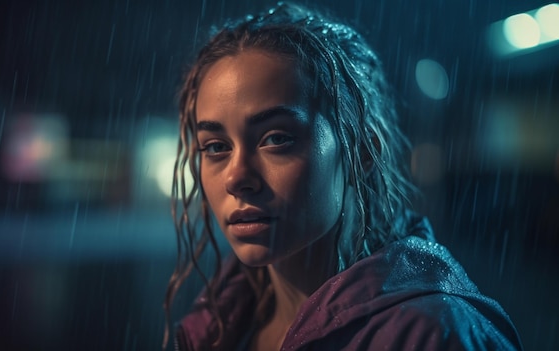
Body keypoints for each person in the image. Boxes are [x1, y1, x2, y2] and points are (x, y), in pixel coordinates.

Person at [163, 2, 522, 350]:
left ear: (363, 151)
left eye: (276, 139)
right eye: (215, 147)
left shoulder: (435, 335)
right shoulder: (219, 322)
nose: (236, 177)